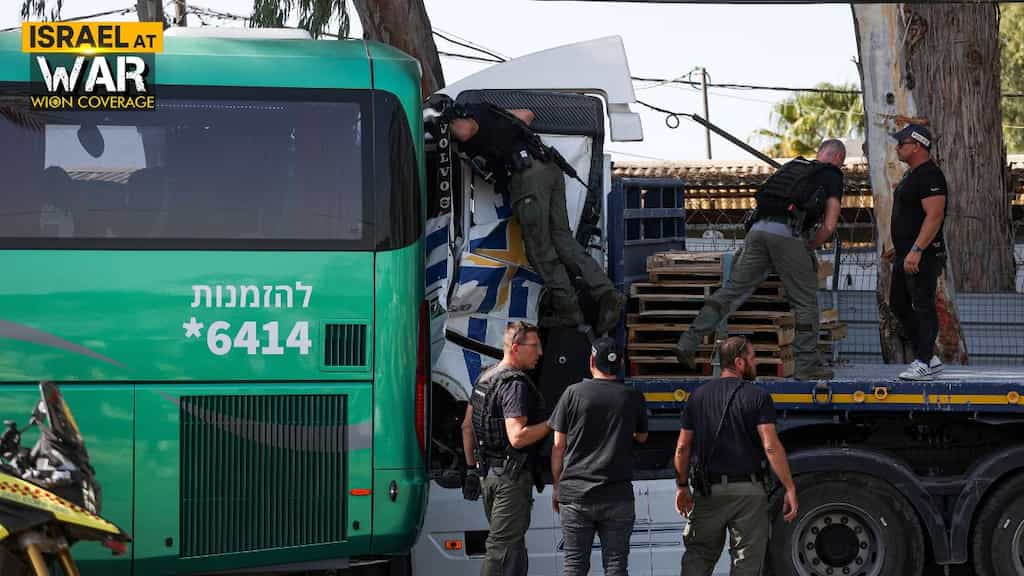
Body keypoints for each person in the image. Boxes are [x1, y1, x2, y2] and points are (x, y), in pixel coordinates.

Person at [674, 140, 847, 380]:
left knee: (731, 291)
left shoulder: (794, 167)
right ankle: (806, 365)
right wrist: (807, 245)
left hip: (757, 231)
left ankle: (689, 340)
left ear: (819, 153)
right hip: (788, 234)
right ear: (838, 158)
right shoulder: (832, 175)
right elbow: (829, 225)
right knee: (805, 302)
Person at [449, 102, 624, 335]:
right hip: (549, 169)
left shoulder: (466, 121)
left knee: (540, 252)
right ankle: (607, 293)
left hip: (528, 180)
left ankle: (569, 312)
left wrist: (441, 122)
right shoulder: (487, 110)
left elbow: (464, 131)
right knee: (563, 240)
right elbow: (527, 114)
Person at [674, 336, 798, 576]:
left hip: (708, 492)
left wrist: (681, 487)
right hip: (748, 493)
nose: (756, 363)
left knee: (698, 556)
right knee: (746, 562)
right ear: (739, 362)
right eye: (752, 358)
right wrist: (789, 487)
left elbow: (682, 447)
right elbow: (770, 446)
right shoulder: (758, 396)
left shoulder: (697, 397)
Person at [548, 337, 649, 576]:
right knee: (615, 566)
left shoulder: (572, 394)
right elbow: (643, 437)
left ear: (591, 361)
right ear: (620, 362)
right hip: (618, 496)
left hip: (575, 496)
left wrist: (556, 486)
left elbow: (558, 446)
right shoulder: (632, 397)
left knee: (574, 565)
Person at [461, 321, 551, 576]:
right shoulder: (514, 384)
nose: (540, 353)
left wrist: (470, 469)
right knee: (501, 551)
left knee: (514, 550)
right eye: (534, 346)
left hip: (488, 477)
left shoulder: (485, 377)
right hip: (510, 481)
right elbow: (518, 437)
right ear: (515, 348)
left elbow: (467, 427)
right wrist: (552, 424)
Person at [884, 123, 947, 381]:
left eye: (902, 143)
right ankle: (929, 356)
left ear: (918, 146)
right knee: (899, 303)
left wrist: (918, 250)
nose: (897, 147)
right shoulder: (913, 174)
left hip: (922, 254)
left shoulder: (930, 175)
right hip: (905, 253)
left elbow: (934, 216)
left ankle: (922, 361)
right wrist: (897, 248)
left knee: (922, 304)